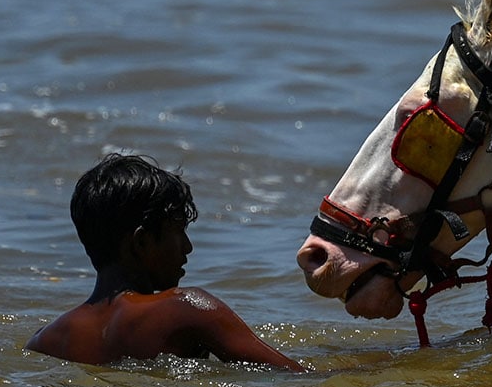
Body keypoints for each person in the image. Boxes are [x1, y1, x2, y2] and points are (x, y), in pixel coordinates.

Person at [25, 153, 304, 372]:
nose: (188, 247)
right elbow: (290, 377)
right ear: (142, 241)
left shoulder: (46, 341)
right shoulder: (186, 308)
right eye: (179, 230)